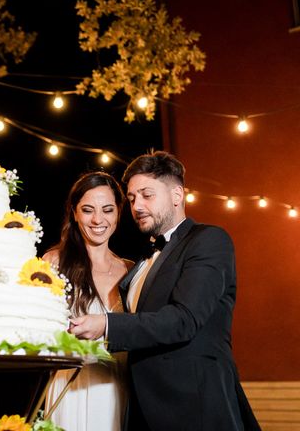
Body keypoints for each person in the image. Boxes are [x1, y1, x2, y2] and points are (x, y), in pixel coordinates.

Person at [70, 151, 260, 431]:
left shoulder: (209, 240)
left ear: (177, 195)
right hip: (141, 406)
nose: (137, 206)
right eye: (132, 199)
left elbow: (184, 319)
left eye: (147, 195)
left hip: (195, 405)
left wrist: (106, 324)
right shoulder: (140, 262)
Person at [44, 171, 133, 431]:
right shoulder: (53, 263)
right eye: (87, 210)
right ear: (74, 212)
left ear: (118, 212)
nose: (98, 220)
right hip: (71, 386)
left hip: (119, 388)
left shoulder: (131, 270)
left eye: (107, 210)